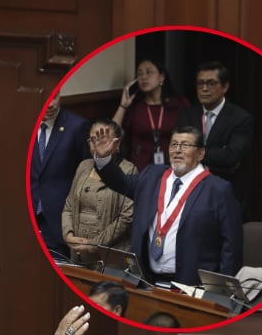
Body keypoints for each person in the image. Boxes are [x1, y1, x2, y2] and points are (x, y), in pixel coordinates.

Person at [92, 124, 242, 284]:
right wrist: (104, 159)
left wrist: (224, 292)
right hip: (146, 281)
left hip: (192, 286)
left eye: (185, 145)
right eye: (174, 144)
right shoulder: (152, 176)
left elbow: (231, 245)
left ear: (200, 153)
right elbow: (121, 183)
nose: (178, 150)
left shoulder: (218, 189)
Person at [175, 61, 254, 214]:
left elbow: (231, 157)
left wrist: (194, 152)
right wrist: (217, 153)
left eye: (211, 83)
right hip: (189, 191)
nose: (204, 89)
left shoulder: (240, 118)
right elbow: (178, 151)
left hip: (224, 193)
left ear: (224, 87)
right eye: (200, 84)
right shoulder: (187, 116)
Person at [62, 118, 137, 263]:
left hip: (109, 257)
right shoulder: (83, 166)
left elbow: (126, 217)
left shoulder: (129, 170)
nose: (97, 144)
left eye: (103, 140)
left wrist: (93, 244)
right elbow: (68, 206)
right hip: (78, 253)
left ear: (117, 143)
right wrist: (68, 235)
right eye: (92, 140)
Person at [31, 93, 91, 258]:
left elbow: (87, 173)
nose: (50, 104)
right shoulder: (22, 121)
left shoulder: (77, 126)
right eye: (45, 98)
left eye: (55, 97)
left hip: (60, 221)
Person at [113, 58, 191, 171]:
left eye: (149, 72)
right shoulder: (135, 107)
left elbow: (193, 137)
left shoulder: (179, 103)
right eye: (139, 74)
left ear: (162, 77)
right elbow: (113, 136)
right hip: (140, 170)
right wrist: (123, 105)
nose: (143, 77)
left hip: (175, 168)